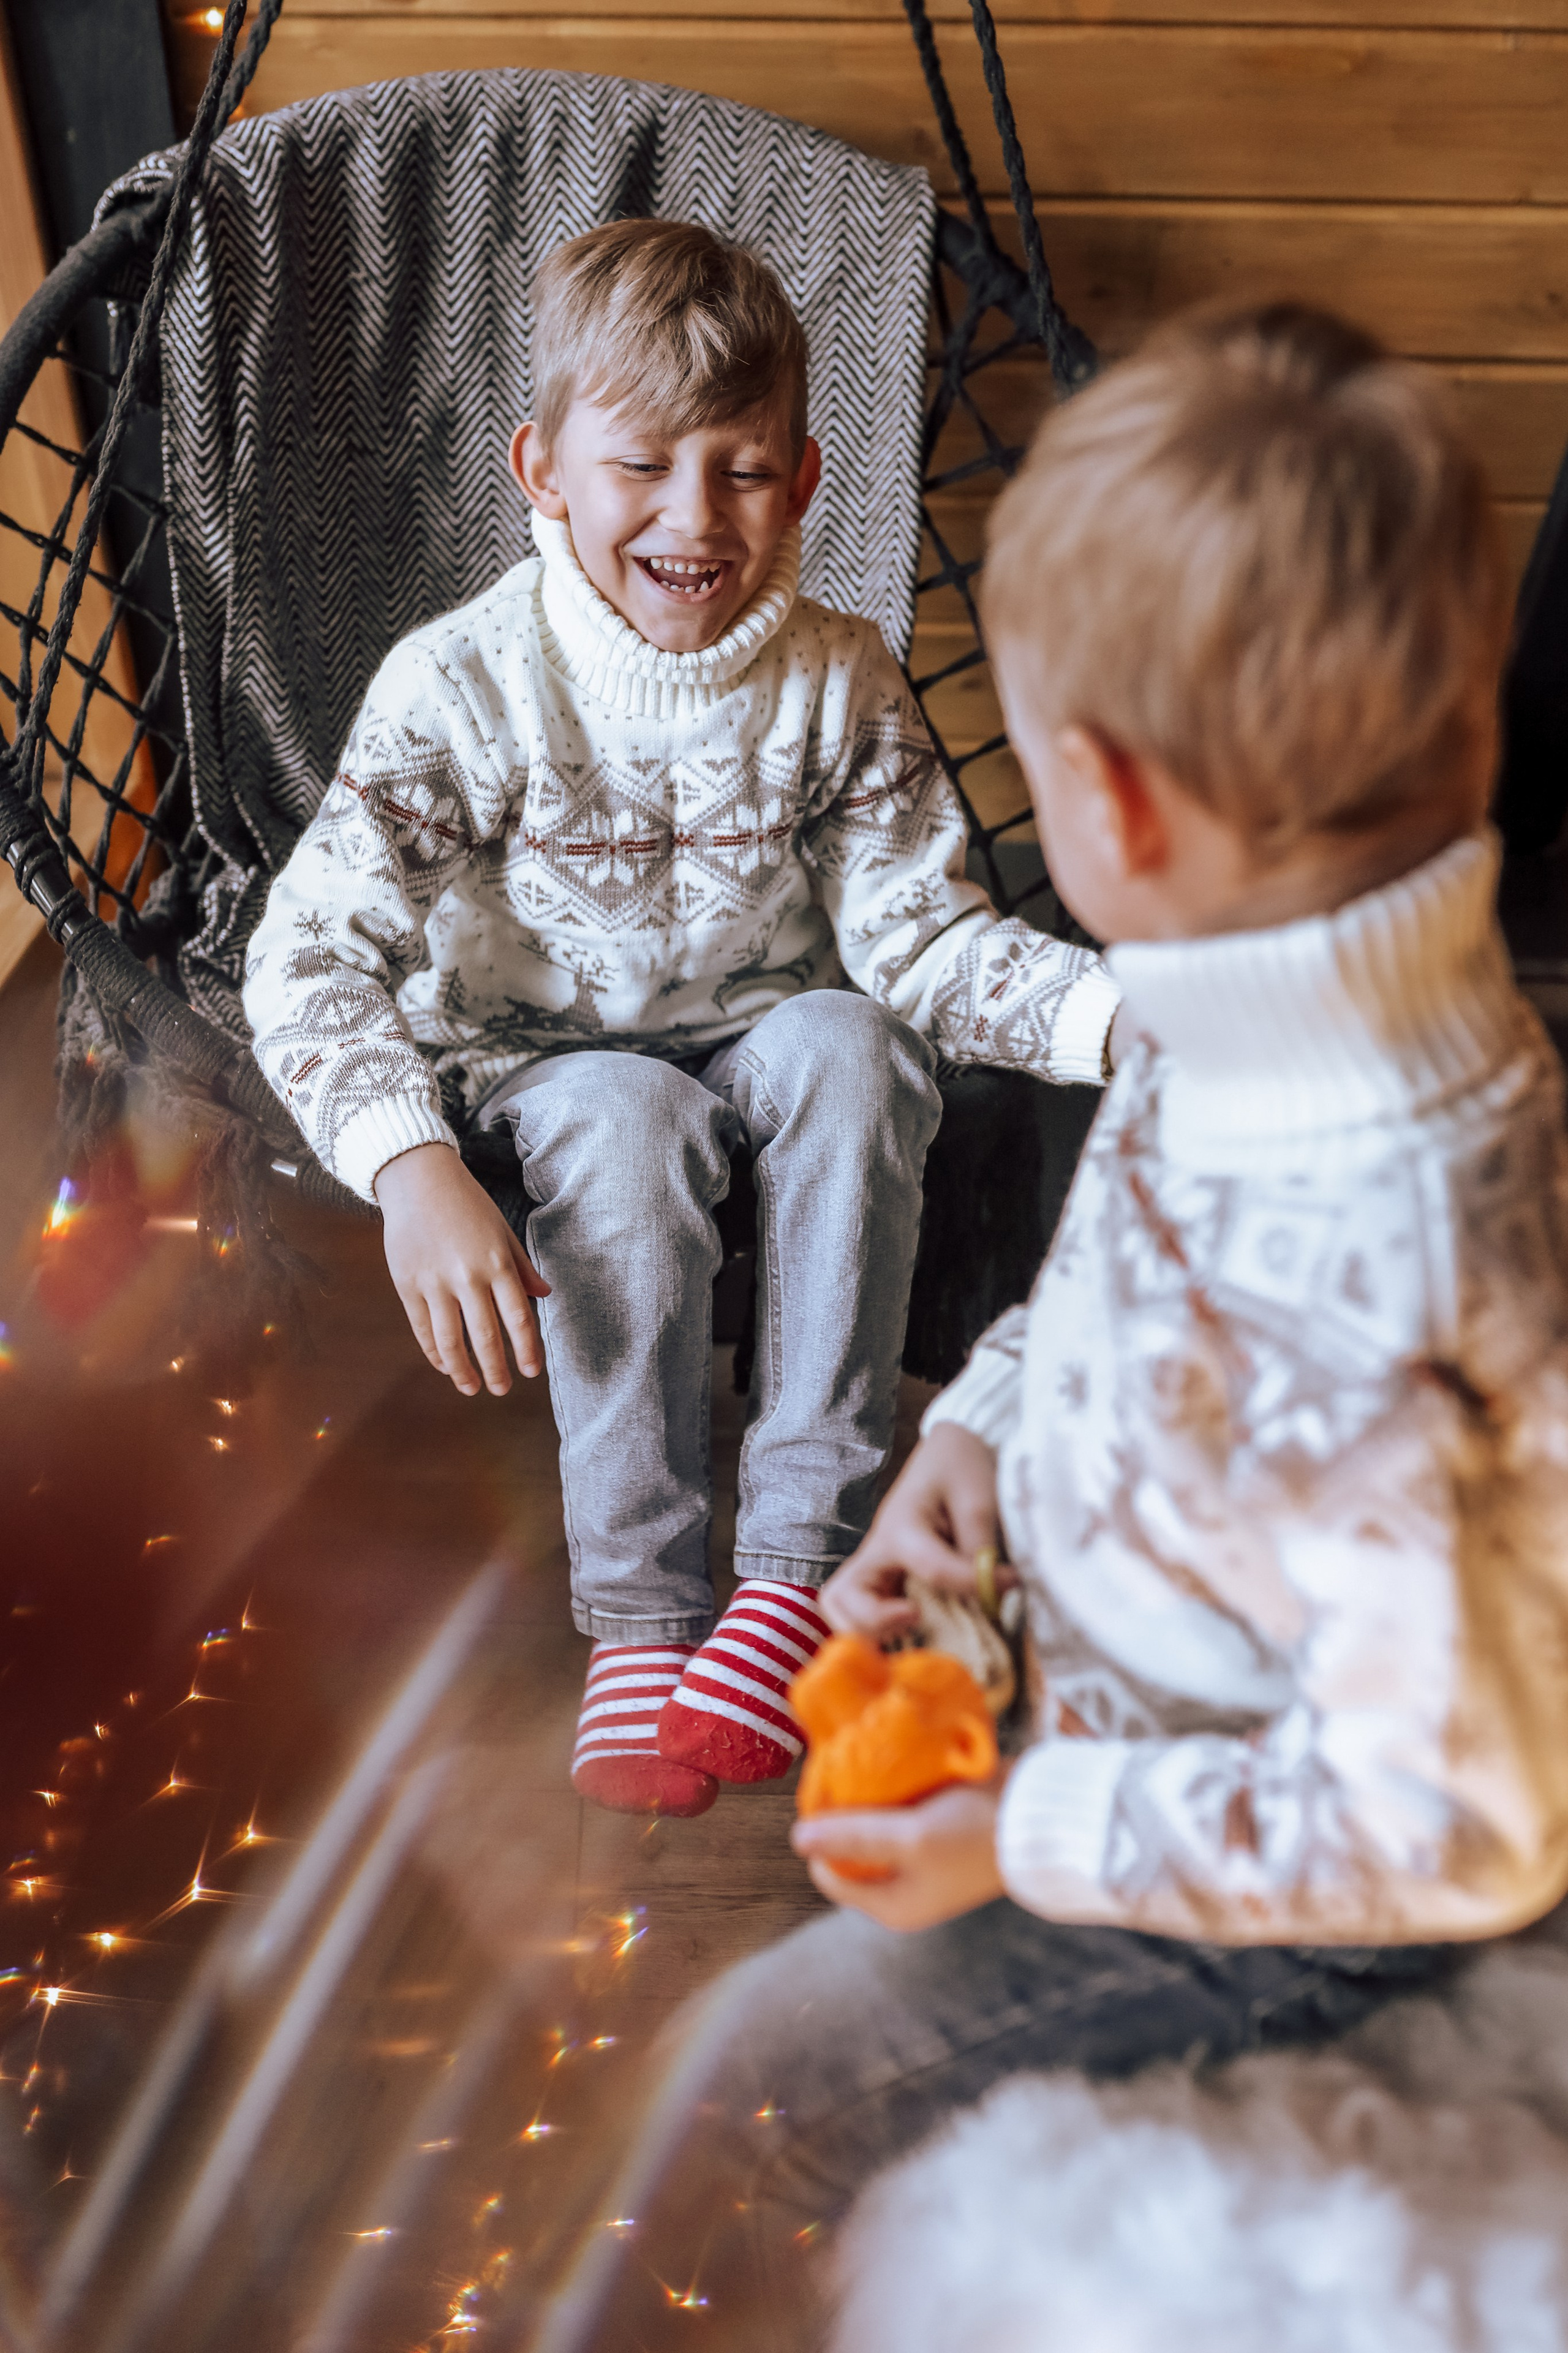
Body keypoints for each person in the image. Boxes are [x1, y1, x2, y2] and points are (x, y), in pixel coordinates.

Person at [536, 300, 1568, 2351]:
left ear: (1110, 805)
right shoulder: (1278, 981)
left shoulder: (1368, 1280)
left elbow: (1446, 1817)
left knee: (750, 2074)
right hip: (1146, 1682)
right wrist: (981, 1436)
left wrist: (1028, 1830)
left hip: (1296, 1865)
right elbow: (1126, 1264)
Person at [241, 219, 1118, 1819]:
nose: (695, 517)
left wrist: (1120, 1019)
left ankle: (794, 1565)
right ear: (546, 470)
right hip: (536, 1053)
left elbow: (920, 939)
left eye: (743, 470)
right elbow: (304, 959)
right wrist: (409, 1165)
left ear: (804, 476)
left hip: (775, 1020)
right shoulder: (459, 688)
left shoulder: (839, 682)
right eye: (642, 463)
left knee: (860, 1052)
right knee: (624, 1123)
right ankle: (644, 1614)